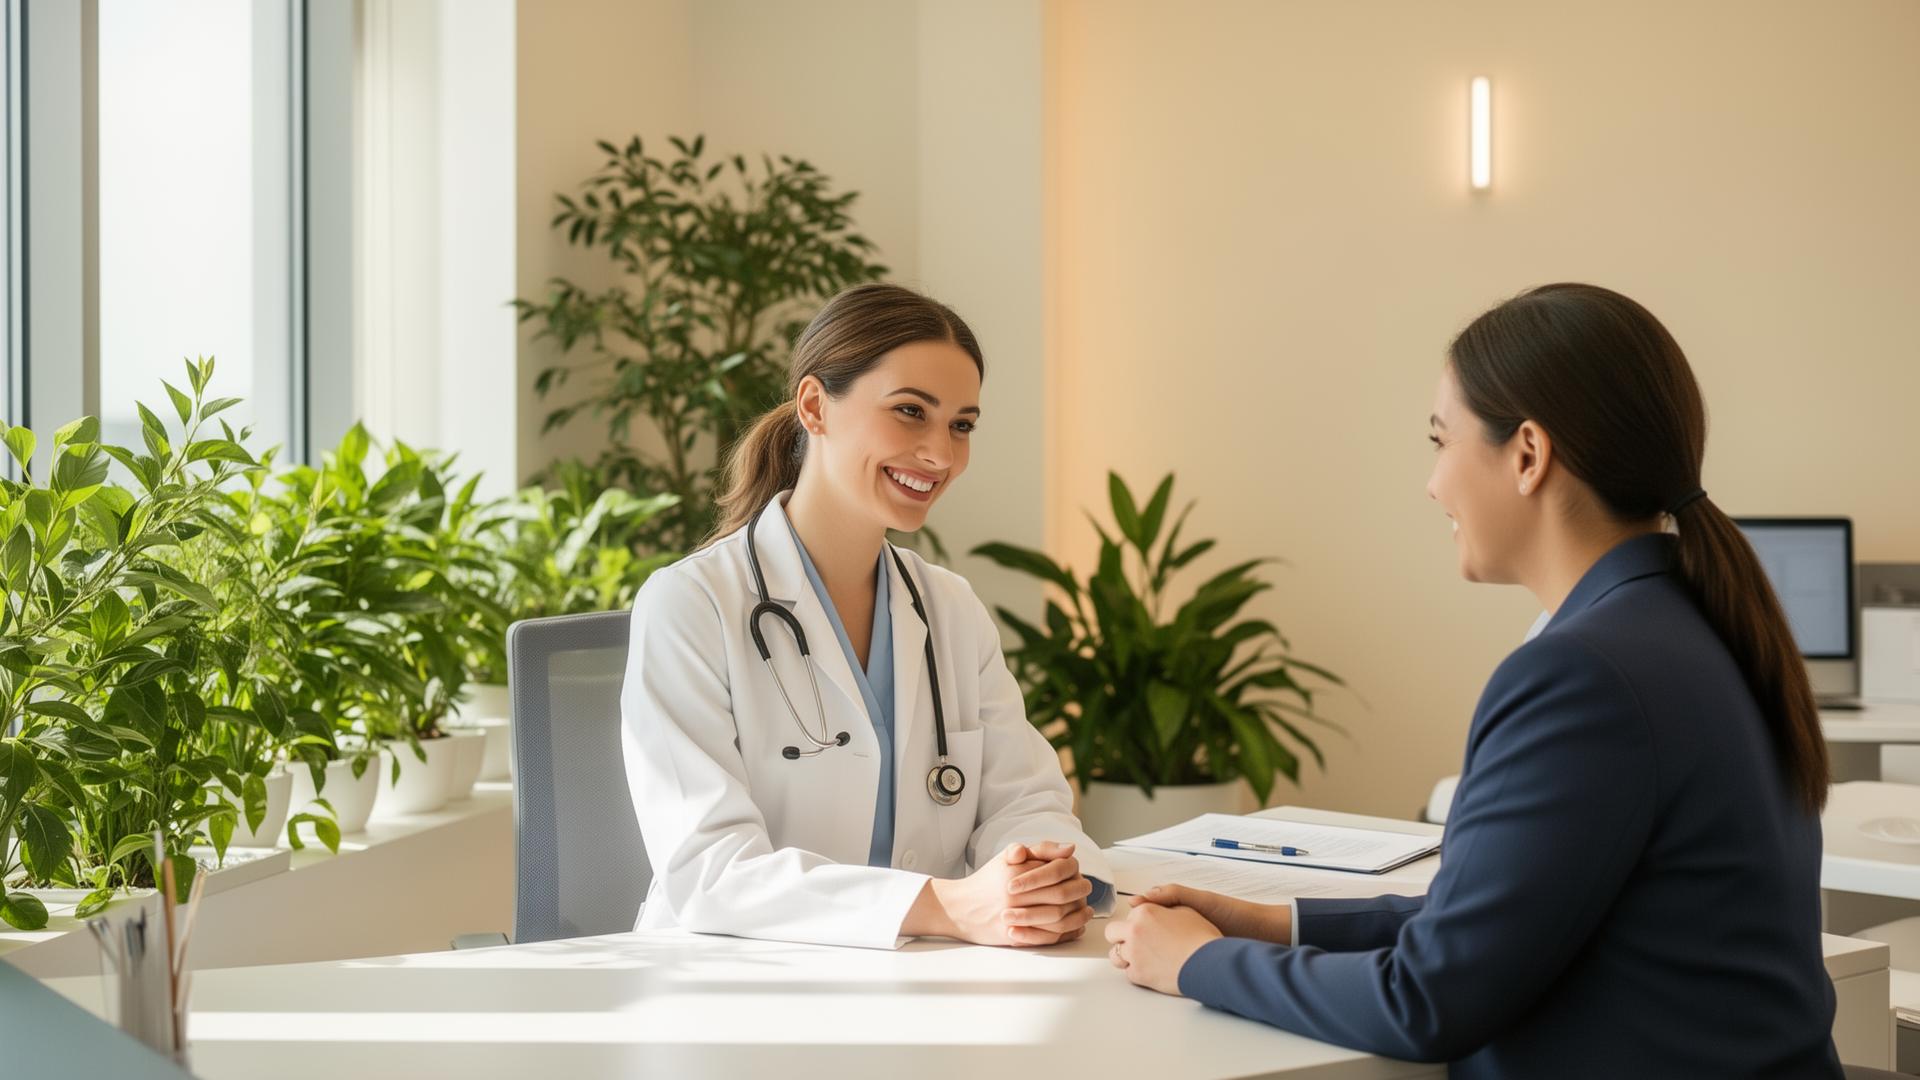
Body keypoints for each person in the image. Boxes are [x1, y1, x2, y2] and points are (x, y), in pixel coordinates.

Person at [1105, 283, 1841, 1076]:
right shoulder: (1701, 624)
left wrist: (1192, 965)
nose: (1432, 484)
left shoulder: (1582, 673)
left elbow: (1427, 1000)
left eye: (1439, 441)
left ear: (1528, 454)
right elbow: (1501, 918)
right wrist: (1264, 921)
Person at [622, 282, 1109, 950]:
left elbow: (1024, 801)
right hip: (735, 989)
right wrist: (946, 904)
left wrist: (1038, 876)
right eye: (911, 412)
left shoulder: (949, 609)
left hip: (928, 979)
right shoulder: (690, 605)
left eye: (961, 425)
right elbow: (711, 871)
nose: (941, 454)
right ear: (816, 406)